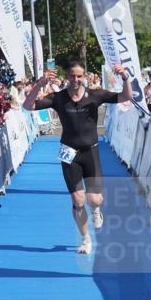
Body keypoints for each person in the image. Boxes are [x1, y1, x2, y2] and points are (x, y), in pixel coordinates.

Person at [23, 62, 133, 254]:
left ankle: (97, 210)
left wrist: (125, 78)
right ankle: (85, 239)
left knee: (95, 200)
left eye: (79, 76)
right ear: (67, 77)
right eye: (72, 76)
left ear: (85, 77)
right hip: (68, 152)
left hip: (90, 151)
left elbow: (126, 97)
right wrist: (40, 84)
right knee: (78, 200)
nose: (76, 80)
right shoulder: (58, 97)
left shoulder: (96, 95)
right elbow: (28, 105)